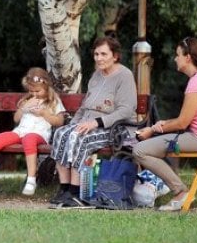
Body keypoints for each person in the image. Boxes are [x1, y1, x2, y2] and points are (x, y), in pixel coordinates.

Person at [133, 37, 197, 211]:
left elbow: (182, 123)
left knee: (139, 150)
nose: (175, 58)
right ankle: (176, 190)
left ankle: (181, 191)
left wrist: (153, 129)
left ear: (188, 57)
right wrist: (159, 125)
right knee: (146, 147)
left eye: (178, 55)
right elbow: (185, 119)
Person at [49, 36, 137, 208]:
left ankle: (76, 193)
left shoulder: (124, 76)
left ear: (115, 56)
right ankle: (64, 189)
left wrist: (96, 122)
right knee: (61, 134)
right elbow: (84, 107)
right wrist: (72, 125)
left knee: (82, 138)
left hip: (115, 127)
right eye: (96, 54)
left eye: (104, 54)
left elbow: (126, 110)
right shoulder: (96, 75)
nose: (99, 58)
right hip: (88, 122)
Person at [0, 67, 65, 196]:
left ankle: (31, 179)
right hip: (20, 132)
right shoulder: (27, 100)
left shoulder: (54, 101)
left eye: (38, 91)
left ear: (47, 87)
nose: (34, 94)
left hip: (39, 134)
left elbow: (60, 121)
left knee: (29, 139)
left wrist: (45, 113)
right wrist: (23, 108)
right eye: (31, 90)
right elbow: (16, 118)